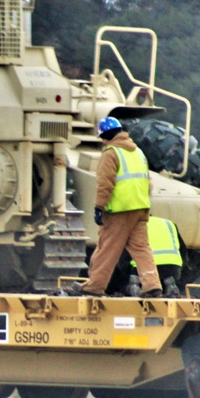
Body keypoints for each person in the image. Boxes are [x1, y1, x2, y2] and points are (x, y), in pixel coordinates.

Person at [77, 117, 163, 297]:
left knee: (107, 248)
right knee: (141, 249)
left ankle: (95, 286)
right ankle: (152, 285)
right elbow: (148, 182)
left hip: (120, 210)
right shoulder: (138, 152)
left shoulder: (111, 153)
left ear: (105, 136)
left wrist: (99, 207)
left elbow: (105, 184)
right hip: (140, 208)